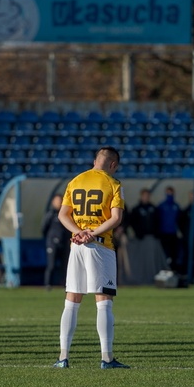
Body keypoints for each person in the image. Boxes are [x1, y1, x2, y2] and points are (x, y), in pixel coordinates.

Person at [53, 146, 129, 369]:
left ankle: (63, 357)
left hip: (76, 246)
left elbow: (62, 214)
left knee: (72, 300)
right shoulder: (114, 184)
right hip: (99, 246)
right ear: (113, 165)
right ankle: (106, 358)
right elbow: (116, 218)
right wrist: (92, 233)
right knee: (103, 301)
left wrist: (78, 232)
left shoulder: (75, 181)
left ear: (95, 159)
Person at [41, 193, 71, 289]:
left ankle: (65, 284)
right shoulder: (50, 214)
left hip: (64, 242)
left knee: (65, 265)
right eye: (57, 201)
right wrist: (50, 238)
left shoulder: (67, 215)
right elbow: (44, 229)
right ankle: (48, 284)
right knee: (51, 265)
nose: (59, 203)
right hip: (52, 243)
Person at [156, 186, 181, 271]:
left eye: (171, 193)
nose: (170, 195)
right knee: (164, 254)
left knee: (173, 254)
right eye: (168, 193)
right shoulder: (161, 206)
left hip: (173, 234)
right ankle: (164, 270)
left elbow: (179, 221)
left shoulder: (176, 206)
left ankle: (173, 270)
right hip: (163, 234)